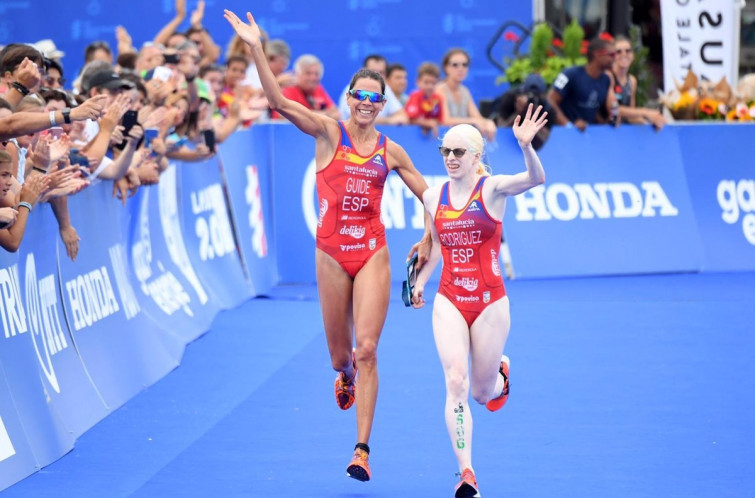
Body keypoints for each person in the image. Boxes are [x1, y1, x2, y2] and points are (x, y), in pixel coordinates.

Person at [224, 8, 431, 483]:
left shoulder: (390, 150)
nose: (365, 102)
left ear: (382, 105)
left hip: (373, 252)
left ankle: (361, 450)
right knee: (342, 358)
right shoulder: (326, 131)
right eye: (359, 94)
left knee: (369, 348)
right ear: (349, 97)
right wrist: (256, 46)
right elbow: (276, 101)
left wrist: (427, 236)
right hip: (331, 256)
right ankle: (344, 376)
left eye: (374, 98)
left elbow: (429, 194)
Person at [410, 104, 547, 498]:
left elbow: (536, 178)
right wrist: (419, 281)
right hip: (450, 298)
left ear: (476, 157)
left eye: (459, 153)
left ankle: (500, 373)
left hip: (490, 302)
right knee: (455, 380)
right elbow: (434, 246)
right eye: (446, 152)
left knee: (481, 394)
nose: (451, 159)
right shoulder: (433, 196)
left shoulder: (492, 188)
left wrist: (526, 146)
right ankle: (466, 473)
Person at [547, 38, 616, 131]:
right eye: (611, 54)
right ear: (597, 54)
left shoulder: (606, 80)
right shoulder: (570, 74)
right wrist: (569, 125)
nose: (614, 58)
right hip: (565, 136)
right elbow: (550, 100)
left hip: (587, 136)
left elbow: (592, 107)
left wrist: (605, 124)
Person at [436, 48, 497, 142]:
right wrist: (473, 121)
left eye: (464, 65)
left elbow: (477, 117)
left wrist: (488, 122)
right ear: (446, 67)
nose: (460, 69)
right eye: (455, 65)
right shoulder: (440, 89)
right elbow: (445, 120)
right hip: (441, 141)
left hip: (460, 142)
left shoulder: (465, 91)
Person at [609, 35, 665, 130]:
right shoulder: (609, 77)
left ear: (633, 55)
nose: (624, 55)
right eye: (618, 52)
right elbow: (613, 109)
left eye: (628, 51)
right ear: (612, 56)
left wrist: (649, 121)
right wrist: (646, 112)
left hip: (622, 130)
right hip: (605, 128)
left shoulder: (632, 80)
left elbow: (631, 115)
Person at [490, 73, 553, 149]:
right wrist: (518, 112)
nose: (532, 99)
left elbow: (547, 138)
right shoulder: (511, 97)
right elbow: (501, 129)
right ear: (523, 92)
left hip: (534, 145)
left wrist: (532, 115)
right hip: (509, 143)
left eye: (537, 95)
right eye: (530, 95)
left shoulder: (546, 105)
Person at [404, 62, 444, 136]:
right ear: (418, 82)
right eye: (426, 82)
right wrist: (427, 123)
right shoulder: (415, 96)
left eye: (433, 83)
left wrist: (433, 122)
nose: (430, 86)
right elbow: (410, 119)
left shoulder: (438, 99)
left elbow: (440, 120)